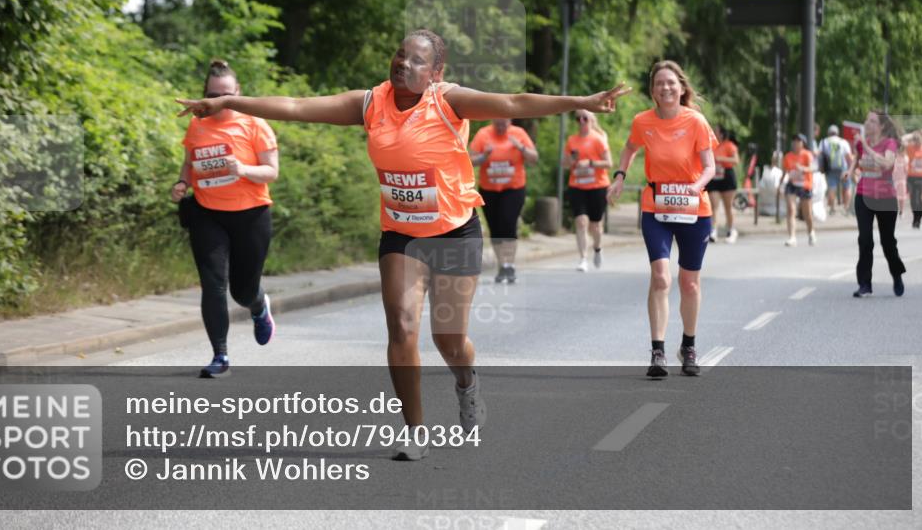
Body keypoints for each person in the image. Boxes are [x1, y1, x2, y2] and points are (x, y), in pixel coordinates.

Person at [177, 30, 630, 459]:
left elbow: (513, 101)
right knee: (403, 326)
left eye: (417, 60)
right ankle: (415, 430)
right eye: (400, 55)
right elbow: (296, 105)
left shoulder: (449, 100)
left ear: (435, 71)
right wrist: (229, 101)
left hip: (455, 230)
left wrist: (581, 102)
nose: (403, 64)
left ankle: (467, 383)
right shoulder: (370, 103)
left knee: (449, 341)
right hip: (401, 233)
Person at [608, 60, 716, 378]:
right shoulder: (643, 121)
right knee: (660, 277)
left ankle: (689, 345)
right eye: (659, 84)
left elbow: (710, 166)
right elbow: (629, 149)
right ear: (653, 91)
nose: (665, 88)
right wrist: (619, 176)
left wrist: (695, 187)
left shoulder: (696, 121)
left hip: (694, 209)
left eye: (671, 83)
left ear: (681, 88)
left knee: (690, 283)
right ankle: (658, 351)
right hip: (657, 206)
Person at [172, 59, 280, 379]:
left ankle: (259, 307)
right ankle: (220, 355)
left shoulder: (255, 124)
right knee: (213, 285)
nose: (218, 101)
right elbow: (189, 163)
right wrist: (182, 184)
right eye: (212, 94)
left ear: (238, 93)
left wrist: (242, 169)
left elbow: (271, 171)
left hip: (251, 216)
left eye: (225, 95)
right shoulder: (197, 124)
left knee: (242, 292)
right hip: (208, 215)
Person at [469, 118, 538, 283]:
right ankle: (502, 265)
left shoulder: (519, 134)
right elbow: (469, 160)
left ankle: (510, 265)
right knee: (495, 228)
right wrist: (484, 156)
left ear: (510, 121)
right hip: (489, 190)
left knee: (508, 223)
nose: (501, 127)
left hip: (513, 188)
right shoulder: (483, 134)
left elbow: (534, 158)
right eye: (498, 124)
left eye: (504, 124)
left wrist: (521, 148)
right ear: (493, 121)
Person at [851, 110, 906, 297]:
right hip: (863, 195)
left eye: (873, 121)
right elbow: (857, 161)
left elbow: (887, 163)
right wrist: (851, 172)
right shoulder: (861, 143)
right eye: (867, 120)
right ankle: (865, 284)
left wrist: (866, 146)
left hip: (885, 198)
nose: (868, 124)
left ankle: (897, 274)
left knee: (888, 242)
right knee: (865, 239)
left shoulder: (889, 143)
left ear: (881, 126)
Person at [562, 109, 612, 271]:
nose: (581, 121)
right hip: (577, 186)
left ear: (591, 120)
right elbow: (564, 164)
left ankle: (597, 248)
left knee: (595, 226)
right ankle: (583, 258)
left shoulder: (598, 139)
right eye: (578, 118)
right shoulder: (571, 141)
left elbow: (609, 163)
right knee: (581, 221)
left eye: (585, 118)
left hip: (598, 186)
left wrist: (590, 163)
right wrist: (572, 160)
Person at [781, 134, 817, 247]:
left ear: (803, 143)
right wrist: (780, 184)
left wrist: (803, 169)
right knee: (791, 209)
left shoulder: (807, 154)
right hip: (792, 184)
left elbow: (813, 168)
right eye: (794, 141)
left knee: (807, 213)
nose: (796, 143)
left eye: (798, 141)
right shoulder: (788, 156)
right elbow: (785, 171)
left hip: (805, 184)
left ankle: (811, 232)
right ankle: (792, 237)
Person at [706, 125, 740, 243]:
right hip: (714, 176)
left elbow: (736, 160)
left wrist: (721, 159)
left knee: (728, 206)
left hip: (727, 176)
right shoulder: (711, 145)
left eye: (716, 131)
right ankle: (713, 231)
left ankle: (731, 230)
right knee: (713, 205)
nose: (714, 133)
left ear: (721, 134)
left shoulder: (729, 145)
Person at [818, 124, 854, 216]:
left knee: (831, 187)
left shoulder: (824, 142)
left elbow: (820, 156)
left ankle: (832, 208)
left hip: (830, 169)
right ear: (837, 133)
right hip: (844, 169)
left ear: (829, 133)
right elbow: (849, 157)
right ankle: (846, 208)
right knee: (847, 186)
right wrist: (851, 169)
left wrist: (821, 168)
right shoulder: (843, 142)